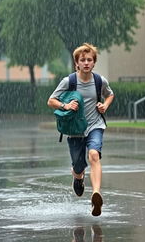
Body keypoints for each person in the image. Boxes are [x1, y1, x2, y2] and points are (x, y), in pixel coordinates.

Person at [47, 43, 114, 216]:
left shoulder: (100, 81)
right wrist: (66, 105)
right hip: (75, 129)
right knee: (78, 166)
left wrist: (104, 105)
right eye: (82, 60)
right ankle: (78, 178)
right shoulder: (69, 81)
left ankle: (96, 194)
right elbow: (51, 101)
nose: (86, 62)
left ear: (94, 63)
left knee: (94, 155)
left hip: (95, 126)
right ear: (77, 63)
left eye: (89, 60)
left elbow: (110, 94)